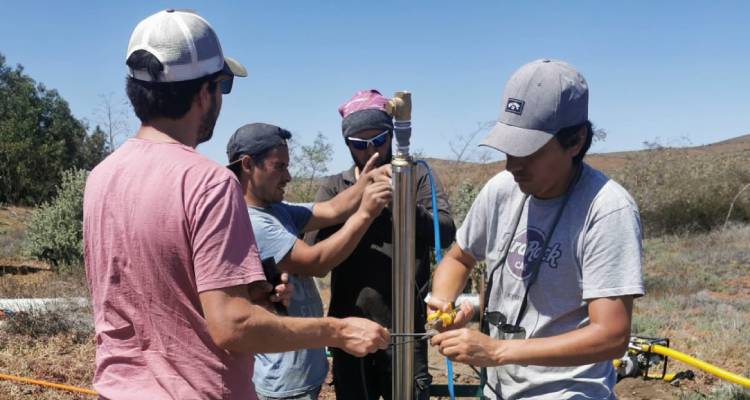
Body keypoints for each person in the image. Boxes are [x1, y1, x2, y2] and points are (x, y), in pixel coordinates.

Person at [83, 10, 388, 400]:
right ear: (204, 92)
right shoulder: (208, 182)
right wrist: (339, 331)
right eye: (223, 87)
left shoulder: (101, 177)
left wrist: (252, 296)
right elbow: (232, 327)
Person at [428, 59, 644, 400]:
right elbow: (458, 258)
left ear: (575, 141)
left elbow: (611, 334)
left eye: (528, 150)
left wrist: (498, 351)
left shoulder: (606, 210)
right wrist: (443, 302)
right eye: (508, 148)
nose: (513, 164)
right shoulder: (501, 190)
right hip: (499, 388)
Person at [305, 89, 456, 399]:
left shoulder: (417, 177)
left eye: (379, 141)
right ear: (347, 143)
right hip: (350, 327)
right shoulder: (335, 187)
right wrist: (360, 207)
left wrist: (405, 205)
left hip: (405, 330)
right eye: (360, 145)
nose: (370, 151)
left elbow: (446, 230)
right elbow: (314, 251)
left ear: (391, 134)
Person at [225, 122, 393, 400]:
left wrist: (365, 181)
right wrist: (366, 214)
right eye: (279, 166)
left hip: (303, 370)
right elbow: (316, 262)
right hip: (284, 379)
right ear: (247, 165)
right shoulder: (251, 221)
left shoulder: (276, 210)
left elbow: (333, 209)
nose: (288, 176)